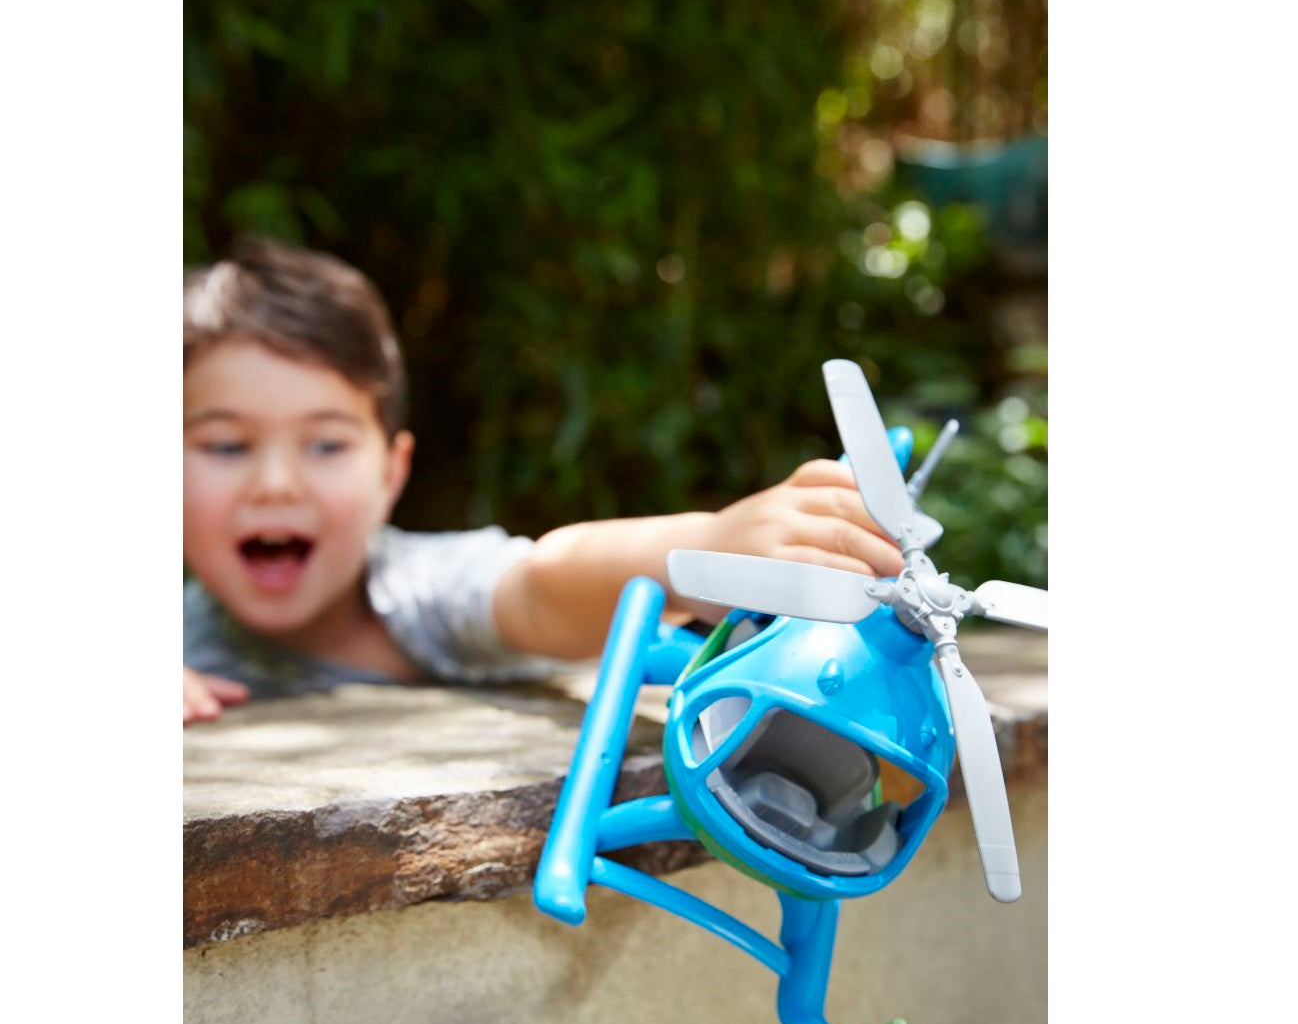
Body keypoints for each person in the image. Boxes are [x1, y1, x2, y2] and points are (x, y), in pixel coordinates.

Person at [183, 239, 904, 723]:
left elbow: (540, 585)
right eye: (225, 445)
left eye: (325, 445)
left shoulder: (417, 589)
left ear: (391, 473)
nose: (275, 484)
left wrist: (707, 547)